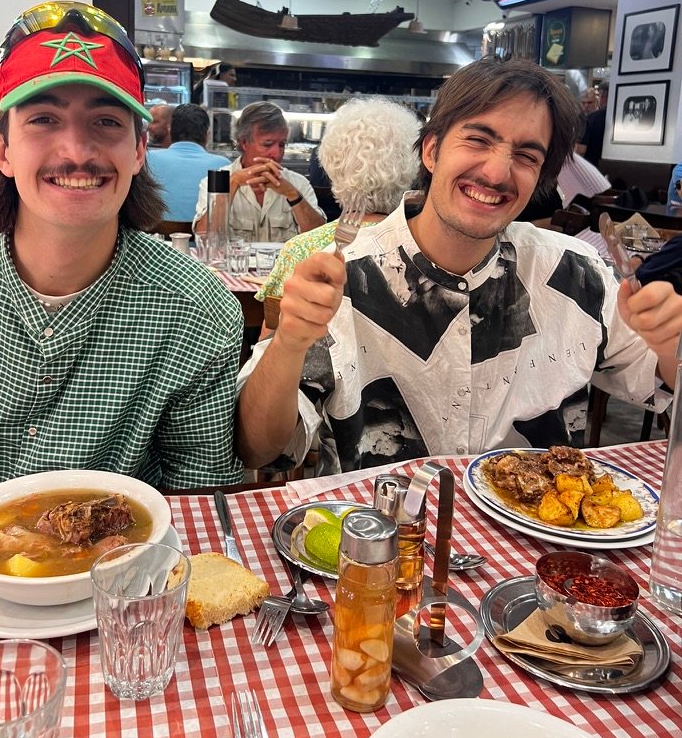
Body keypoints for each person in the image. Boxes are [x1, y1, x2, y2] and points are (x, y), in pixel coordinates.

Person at [235, 57, 682, 476]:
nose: (498, 173)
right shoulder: (343, 277)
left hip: (542, 530)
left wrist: (669, 345)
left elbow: (661, 379)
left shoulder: (575, 271)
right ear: (431, 151)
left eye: (526, 156)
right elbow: (259, 449)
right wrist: (288, 342)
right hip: (380, 527)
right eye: (478, 140)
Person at [0, 0, 244, 508]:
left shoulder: (196, 308)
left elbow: (200, 496)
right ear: (2, 150)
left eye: (106, 121)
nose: (76, 152)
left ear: (139, 150)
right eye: (44, 119)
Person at [256, 97, 420, 305]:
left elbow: (271, 323)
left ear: (331, 166)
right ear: (413, 167)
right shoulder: (424, 252)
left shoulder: (299, 250)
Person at [194, 101, 325, 242]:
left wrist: (292, 194)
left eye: (282, 145)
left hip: (285, 258)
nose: (276, 153)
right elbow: (204, 239)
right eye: (267, 145)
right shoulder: (214, 183)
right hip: (235, 257)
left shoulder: (298, 183)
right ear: (244, 143)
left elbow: (320, 240)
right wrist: (232, 183)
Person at [146, 104, 229, 221]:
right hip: (203, 232)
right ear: (207, 135)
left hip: (153, 232)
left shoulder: (147, 159)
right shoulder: (223, 166)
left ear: (170, 130)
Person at [576, 85, 608, 166]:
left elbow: (580, 149)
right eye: (583, 103)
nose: (586, 106)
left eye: (590, 102)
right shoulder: (577, 119)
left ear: (596, 102)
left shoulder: (604, 117)